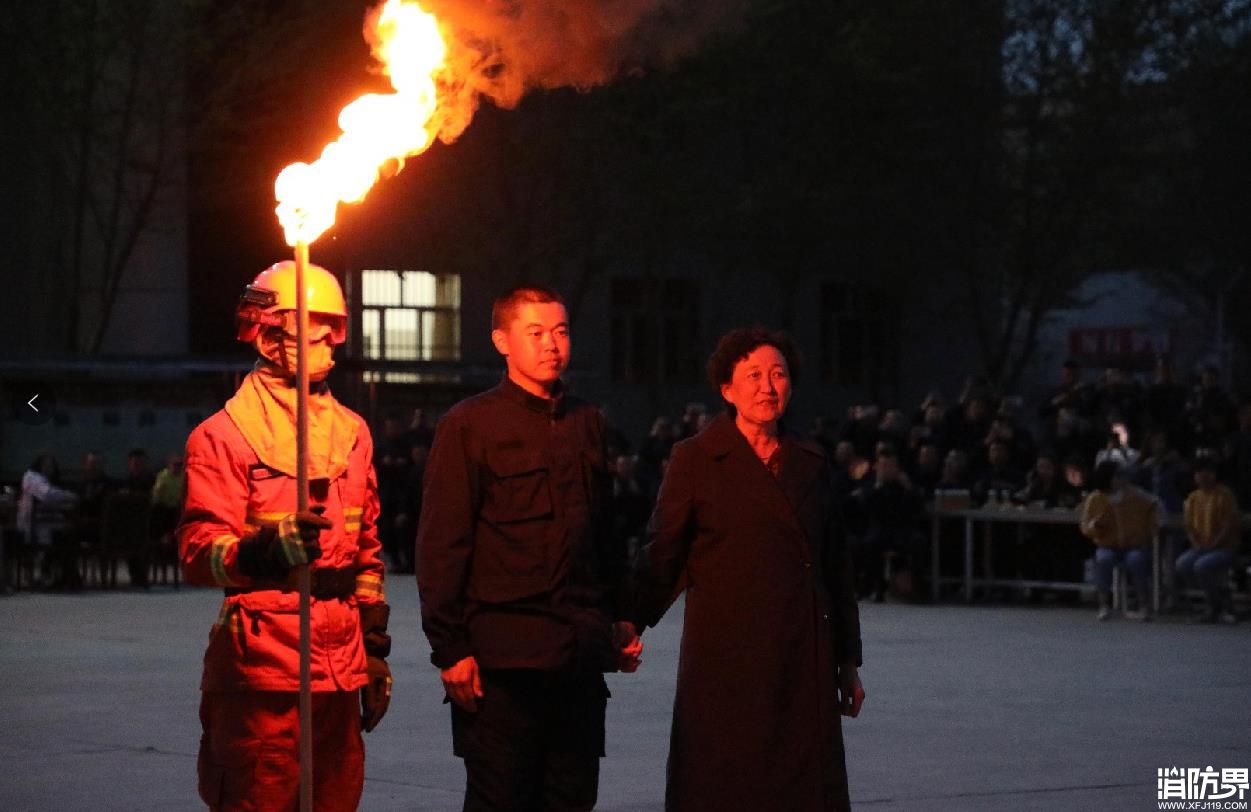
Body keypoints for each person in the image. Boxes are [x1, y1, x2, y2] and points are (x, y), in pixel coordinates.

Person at [417, 285, 641, 812]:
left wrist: (623, 617)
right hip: (503, 663)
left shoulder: (588, 422)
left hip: (577, 658)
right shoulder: (470, 426)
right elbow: (442, 546)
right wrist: (450, 650)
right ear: (501, 341)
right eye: (535, 332)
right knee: (501, 801)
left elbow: (604, 534)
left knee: (572, 799)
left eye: (560, 332)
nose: (551, 344)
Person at [179, 261, 391, 810]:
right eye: (310, 322)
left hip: (340, 669)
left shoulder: (353, 433)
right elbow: (199, 555)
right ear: (270, 333)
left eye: (331, 323)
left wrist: (373, 649)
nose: (325, 336)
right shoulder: (224, 435)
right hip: (261, 670)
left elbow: (368, 553)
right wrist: (266, 550)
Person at [632, 326, 864, 812]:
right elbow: (663, 551)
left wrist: (847, 661)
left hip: (804, 657)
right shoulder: (695, 458)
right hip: (726, 661)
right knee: (725, 784)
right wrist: (626, 621)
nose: (768, 386)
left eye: (778, 375)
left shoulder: (811, 461)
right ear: (726, 389)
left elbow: (835, 567)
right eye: (753, 375)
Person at [1079, 461, 1158, 621]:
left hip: (1133, 545)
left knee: (1136, 560)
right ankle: (1104, 605)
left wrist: (1149, 531)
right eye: (1117, 475)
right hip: (1107, 544)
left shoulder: (1136, 494)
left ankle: (1144, 604)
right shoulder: (1095, 499)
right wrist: (1096, 526)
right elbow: (1085, 526)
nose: (1122, 479)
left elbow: (1155, 505)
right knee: (1103, 559)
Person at [1177, 457, 1240, 623]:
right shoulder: (1193, 498)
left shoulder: (1224, 495)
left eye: (1207, 472)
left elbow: (1228, 526)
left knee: (1202, 566)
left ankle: (1216, 605)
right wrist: (1196, 544)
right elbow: (1189, 526)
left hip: (1225, 546)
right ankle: (1212, 596)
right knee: (1182, 563)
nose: (1203, 476)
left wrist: (1214, 545)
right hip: (1201, 547)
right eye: (1199, 473)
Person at [17, 453, 79, 588]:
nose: (49, 468)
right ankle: (57, 576)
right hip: (35, 526)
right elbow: (47, 494)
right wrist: (71, 496)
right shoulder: (32, 477)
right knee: (64, 537)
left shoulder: (49, 480)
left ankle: (64, 576)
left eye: (52, 465)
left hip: (49, 522)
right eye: (46, 464)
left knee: (71, 535)